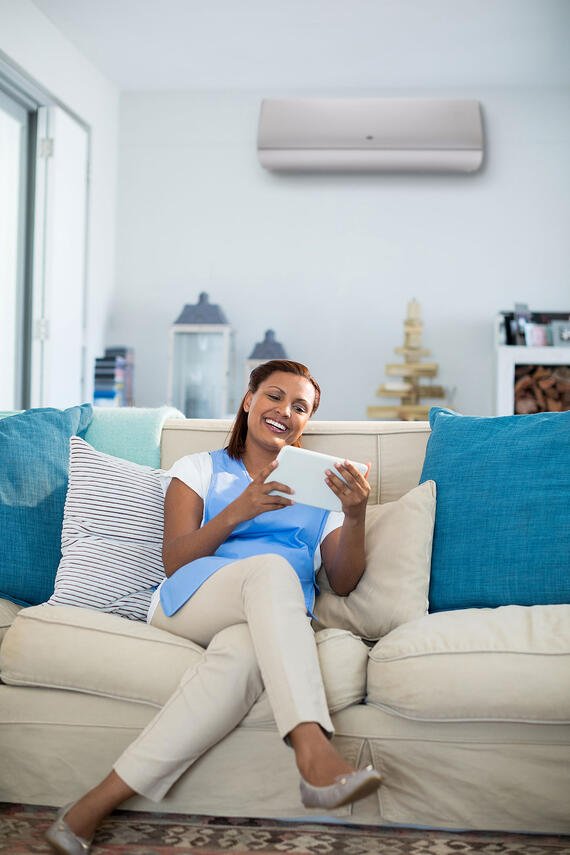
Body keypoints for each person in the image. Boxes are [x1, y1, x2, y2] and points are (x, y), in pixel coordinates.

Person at [46, 359, 381, 855]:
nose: (284, 411)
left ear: (306, 422)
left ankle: (86, 812)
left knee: (242, 657)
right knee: (271, 568)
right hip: (189, 600)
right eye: (273, 396)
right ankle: (311, 746)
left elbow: (345, 581)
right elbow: (174, 560)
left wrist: (354, 516)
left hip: (265, 618)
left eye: (299, 407)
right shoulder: (199, 468)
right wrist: (239, 509)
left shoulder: (321, 491)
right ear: (249, 400)